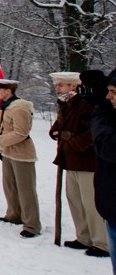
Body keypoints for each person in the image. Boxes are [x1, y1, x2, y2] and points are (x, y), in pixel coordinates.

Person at [49, 72, 109, 257]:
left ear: (73, 86)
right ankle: (83, 237)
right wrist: (56, 132)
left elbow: (94, 131)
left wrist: (72, 142)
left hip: (86, 161)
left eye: (61, 85)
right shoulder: (66, 104)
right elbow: (60, 126)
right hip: (70, 160)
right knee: (75, 200)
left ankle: (101, 242)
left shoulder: (87, 103)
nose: (57, 88)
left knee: (90, 202)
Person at [0, 78, 41, 238]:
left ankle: (32, 224)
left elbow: (21, 133)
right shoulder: (6, 106)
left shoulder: (19, 107)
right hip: (8, 152)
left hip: (21, 154)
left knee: (25, 190)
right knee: (10, 186)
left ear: (9, 91)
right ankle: (14, 214)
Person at [88, 69, 116, 275]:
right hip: (112, 203)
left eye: (113, 92)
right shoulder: (105, 113)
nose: (108, 97)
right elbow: (105, 146)